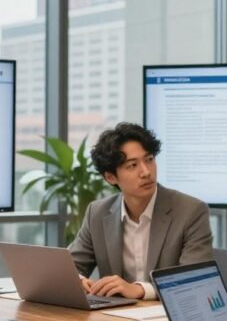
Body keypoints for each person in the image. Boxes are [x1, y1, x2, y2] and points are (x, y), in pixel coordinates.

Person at [69, 122, 213, 300]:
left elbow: (192, 282)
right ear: (110, 177)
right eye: (132, 165)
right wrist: (78, 280)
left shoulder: (191, 211)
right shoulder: (97, 213)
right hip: (116, 319)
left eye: (149, 159)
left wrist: (140, 290)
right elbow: (71, 266)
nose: (146, 172)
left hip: (168, 319)